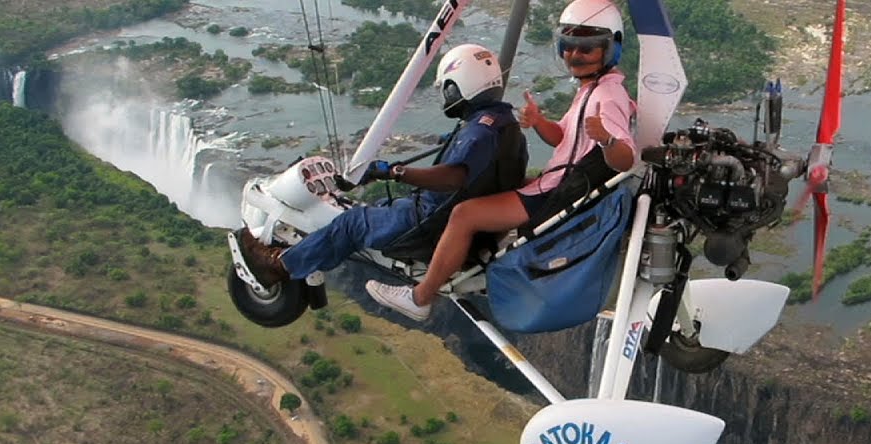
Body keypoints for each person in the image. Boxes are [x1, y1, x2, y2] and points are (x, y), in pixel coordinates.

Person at [365, 0, 637, 322]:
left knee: (465, 214)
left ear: (610, 48)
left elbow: (625, 159)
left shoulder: (607, 97)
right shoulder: (593, 89)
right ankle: (475, 253)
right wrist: (539, 122)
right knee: (498, 185)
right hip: (559, 183)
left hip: (557, 194)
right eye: (568, 46)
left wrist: (607, 139)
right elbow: (565, 138)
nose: (575, 55)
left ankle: (420, 298)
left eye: (587, 48)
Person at [238, 44, 524, 288]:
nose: (446, 97)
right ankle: (307, 252)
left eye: (447, 89)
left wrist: (394, 172)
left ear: (457, 86)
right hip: (456, 224)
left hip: (429, 224)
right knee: (368, 210)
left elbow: (454, 177)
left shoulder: (478, 133)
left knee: (352, 223)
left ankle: (280, 266)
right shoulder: (504, 125)